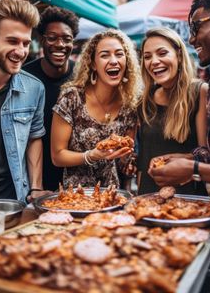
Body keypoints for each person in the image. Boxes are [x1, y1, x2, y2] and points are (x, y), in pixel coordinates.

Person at [149, 0, 210, 195]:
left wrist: (195, 169)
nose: (191, 38)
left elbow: (206, 169)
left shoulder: (204, 88)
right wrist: (186, 159)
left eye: (196, 27)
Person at [51, 29, 142, 189]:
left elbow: (124, 160)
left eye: (119, 54)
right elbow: (57, 156)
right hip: (75, 196)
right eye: (105, 55)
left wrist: (129, 161)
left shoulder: (130, 104)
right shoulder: (72, 97)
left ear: (127, 61)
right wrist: (91, 155)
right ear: (92, 63)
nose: (113, 60)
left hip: (111, 195)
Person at [138, 27, 208, 195]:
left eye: (162, 53)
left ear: (178, 54)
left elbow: (207, 154)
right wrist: (138, 196)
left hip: (189, 197)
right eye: (147, 57)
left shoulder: (199, 91)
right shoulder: (145, 99)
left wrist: (183, 159)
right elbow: (143, 159)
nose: (154, 61)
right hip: (148, 196)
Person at [0, 0, 45, 202]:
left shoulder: (34, 88)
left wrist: (35, 188)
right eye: (12, 41)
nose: (21, 51)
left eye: (25, 43)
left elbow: (34, 137)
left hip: (13, 202)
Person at [24, 6, 79, 191]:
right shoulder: (24, 77)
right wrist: (35, 186)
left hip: (75, 175)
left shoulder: (82, 76)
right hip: (34, 179)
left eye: (66, 39)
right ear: (41, 40)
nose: (60, 44)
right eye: (52, 38)